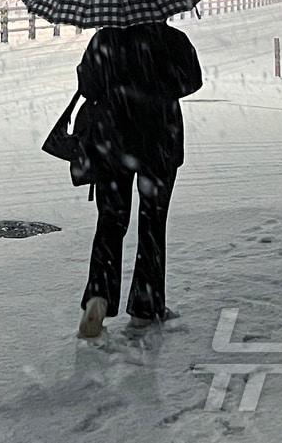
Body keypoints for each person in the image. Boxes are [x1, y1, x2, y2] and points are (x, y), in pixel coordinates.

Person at [74, 21, 202, 338]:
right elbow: (192, 82)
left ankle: (98, 299)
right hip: (159, 141)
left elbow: (87, 87)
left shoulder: (104, 39)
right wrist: (155, 85)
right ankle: (146, 308)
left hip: (111, 142)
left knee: (110, 222)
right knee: (152, 224)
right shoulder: (172, 39)